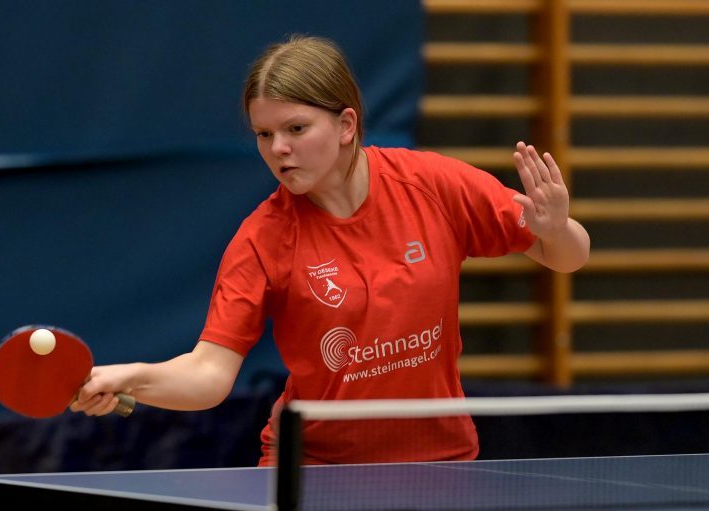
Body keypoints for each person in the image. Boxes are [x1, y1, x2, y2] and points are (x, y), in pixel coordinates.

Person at [71, 35, 590, 465]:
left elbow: (569, 257)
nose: (278, 148)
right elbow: (209, 374)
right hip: (315, 469)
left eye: (296, 129)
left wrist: (556, 229)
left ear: (346, 125)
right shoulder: (263, 239)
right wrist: (130, 376)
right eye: (264, 133)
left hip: (440, 459)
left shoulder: (431, 184)